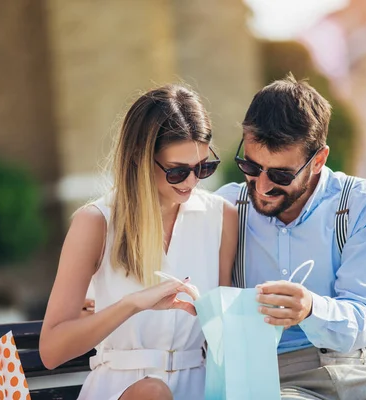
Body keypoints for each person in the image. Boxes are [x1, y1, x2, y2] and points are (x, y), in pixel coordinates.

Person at [216, 74, 366, 400]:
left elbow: (365, 319)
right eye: (250, 166)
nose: (262, 186)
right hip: (279, 382)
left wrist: (310, 309)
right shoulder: (224, 210)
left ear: (318, 160)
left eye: (280, 175)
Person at [40, 84, 238, 400]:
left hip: (199, 386)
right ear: (140, 159)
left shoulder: (221, 217)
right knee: (153, 393)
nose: (192, 182)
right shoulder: (95, 222)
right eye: (177, 172)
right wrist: (132, 304)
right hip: (122, 388)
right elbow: (51, 351)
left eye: (203, 167)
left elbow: (224, 336)